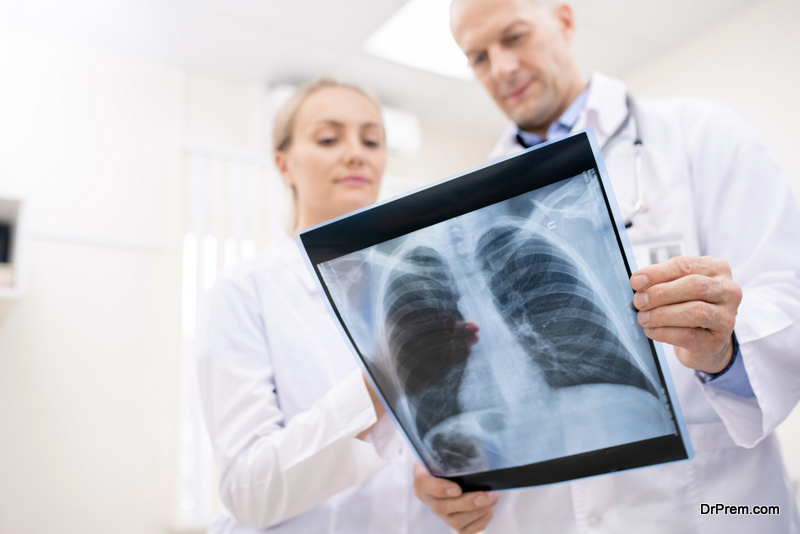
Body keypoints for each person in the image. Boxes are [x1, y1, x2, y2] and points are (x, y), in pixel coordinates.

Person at [412, 1, 800, 533]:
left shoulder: (697, 133)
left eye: (514, 37)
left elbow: (788, 291)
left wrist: (725, 348)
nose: (500, 68)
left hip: (716, 507)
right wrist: (454, 480)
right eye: (477, 57)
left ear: (565, 21)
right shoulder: (468, 201)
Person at [196, 79, 448, 533]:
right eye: (329, 139)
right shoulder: (243, 290)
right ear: (283, 164)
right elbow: (247, 490)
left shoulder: (420, 288)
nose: (356, 153)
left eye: (371, 140)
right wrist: (380, 385)